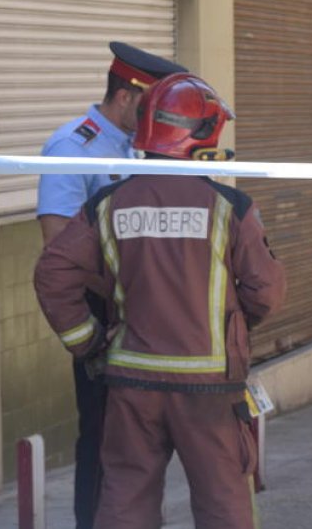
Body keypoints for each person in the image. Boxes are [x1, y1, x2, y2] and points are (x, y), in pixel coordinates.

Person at [35, 73, 286, 529]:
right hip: (209, 386)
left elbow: (53, 273)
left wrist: (87, 341)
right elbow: (266, 291)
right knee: (224, 504)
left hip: (132, 383)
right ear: (201, 135)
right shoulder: (230, 206)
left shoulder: (107, 204)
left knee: (125, 503)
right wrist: (229, 325)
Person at [36, 41, 187, 529]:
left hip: (143, 309)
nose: (157, 116)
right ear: (126, 96)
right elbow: (57, 246)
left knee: (140, 442)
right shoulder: (72, 147)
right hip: (102, 311)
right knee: (103, 439)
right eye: (150, 105)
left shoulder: (137, 146)